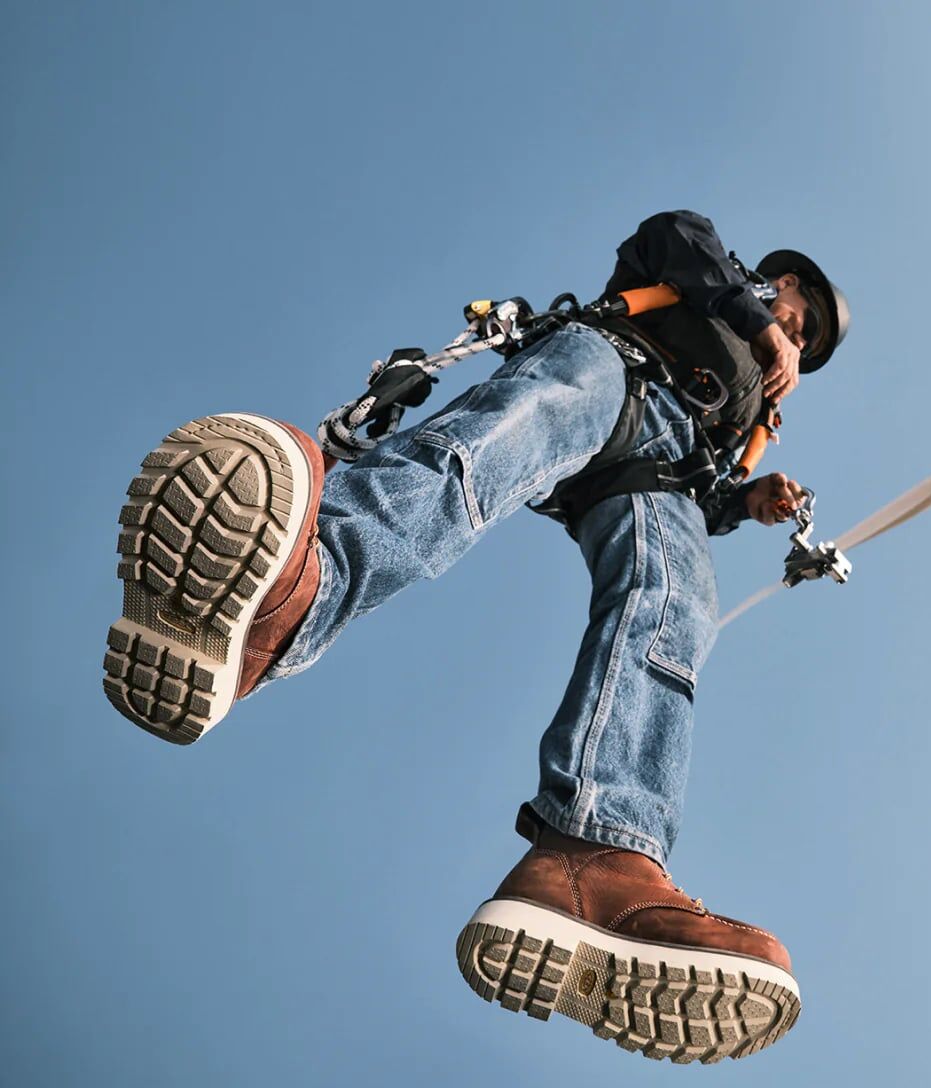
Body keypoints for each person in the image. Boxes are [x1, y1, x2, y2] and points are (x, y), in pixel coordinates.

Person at [100, 210, 849, 1065]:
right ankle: (291, 595)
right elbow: (670, 235)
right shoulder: (720, 277)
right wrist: (755, 324)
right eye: (800, 312)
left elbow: (709, 494)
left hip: (665, 471)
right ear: (780, 284)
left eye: (807, 337)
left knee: (676, 606)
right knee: (491, 448)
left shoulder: (756, 409)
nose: (796, 331)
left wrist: (744, 504)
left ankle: (601, 847)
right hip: (614, 367)